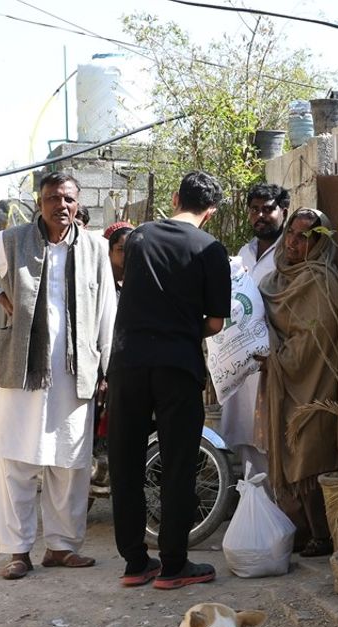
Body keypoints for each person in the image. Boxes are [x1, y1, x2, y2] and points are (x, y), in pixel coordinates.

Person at [0, 172, 116, 580]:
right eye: (52, 198)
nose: (61, 206)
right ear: (38, 203)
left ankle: (61, 547)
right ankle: (17, 551)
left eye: (68, 199)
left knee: (70, 463)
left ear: (77, 203)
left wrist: (108, 369)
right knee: (17, 461)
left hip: (76, 370)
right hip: (21, 369)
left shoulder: (96, 248)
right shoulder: (12, 241)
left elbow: (108, 311)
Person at [108, 170, 230, 590]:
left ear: (176, 197)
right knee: (178, 462)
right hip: (177, 365)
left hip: (127, 362)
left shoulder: (138, 237)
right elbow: (215, 322)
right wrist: (180, 330)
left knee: (125, 461)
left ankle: (135, 564)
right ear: (210, 212)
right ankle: (174, 565)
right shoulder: (211, 249)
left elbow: (129, 284)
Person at [256, 208, 338, 558]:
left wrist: (279, 358)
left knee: (308, 454)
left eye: (304, 237)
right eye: (291, 234)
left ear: (319, 244)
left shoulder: (321, 281)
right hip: (283, 384)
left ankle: (322, 534)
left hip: (315, 380)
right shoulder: (275, 280)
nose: (294, 243)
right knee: (287, 454)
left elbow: (317, 338)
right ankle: (299, 530)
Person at [219, 183, 288, 480]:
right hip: (241, 354)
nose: (260, 215)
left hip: (276, 353)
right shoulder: (243, 253)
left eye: (268, 209)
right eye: (255, 209)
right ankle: (254, 505)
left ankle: (277, 511)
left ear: (283, 211)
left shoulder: (291, 250)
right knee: (245, 432)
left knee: (273, 434)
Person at [102, 221, 133, 292]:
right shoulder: (102, 282)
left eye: (131, 248)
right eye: (121, 249)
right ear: (109, 251)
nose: (126, 254)